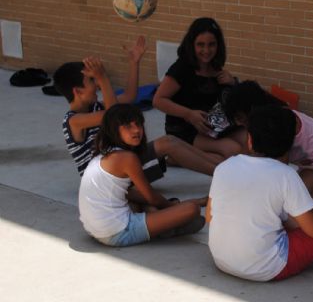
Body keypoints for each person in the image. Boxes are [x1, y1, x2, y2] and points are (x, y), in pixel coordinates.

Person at [206, 104, 313, 282]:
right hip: (267, 266)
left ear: (250, 140)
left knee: (286, 218)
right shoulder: (286, 175)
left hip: (221, 258)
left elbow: (209, 218)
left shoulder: (225, 166)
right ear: (290, 144)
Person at [53, 36, 216, 178]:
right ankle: (223, 176)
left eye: (95, 81)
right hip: (106, 179)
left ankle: (220, 171)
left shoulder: (96, 107)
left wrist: (134, 62)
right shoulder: (73, 121)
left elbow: (130, 96)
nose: (96, 85)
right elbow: (113, 115)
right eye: (91, 81)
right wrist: (103, 79)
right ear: (77, 91)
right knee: (167, 144)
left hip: (122, 163)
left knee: (171, 141)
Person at [223, 80, 313, 215]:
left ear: (252, 110)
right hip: (312, 167)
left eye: (240, 117)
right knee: (291, 205)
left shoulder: (279, 123)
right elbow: (244, 159)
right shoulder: (261, 124)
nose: (238, 123)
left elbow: (278, 167)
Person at [79, 104, 206, 247]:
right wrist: (172, 206)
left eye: (138, 124)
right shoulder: (127, 158)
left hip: (95, 229)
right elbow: (151, 197)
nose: (136, 130)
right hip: (116, 233)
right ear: (113, 130)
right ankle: (165, 227)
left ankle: (162, 224)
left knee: (138, 196)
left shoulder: (103, 154)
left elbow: (129, 194)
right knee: (191, 209)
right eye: (128, 126)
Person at [153, 17, 244, 165]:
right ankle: (179, 156)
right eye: (200, 45)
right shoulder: (182, 69)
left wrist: (233, 83)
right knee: (232, 150)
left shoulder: (215, 67)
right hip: (184, 128)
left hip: (210, 127)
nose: (206, 50)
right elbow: (158, 100)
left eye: (211, 45)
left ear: (218, 45)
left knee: (248, 139)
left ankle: (184, 157)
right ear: (191, 44)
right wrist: (188, 114)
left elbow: (227, 100)